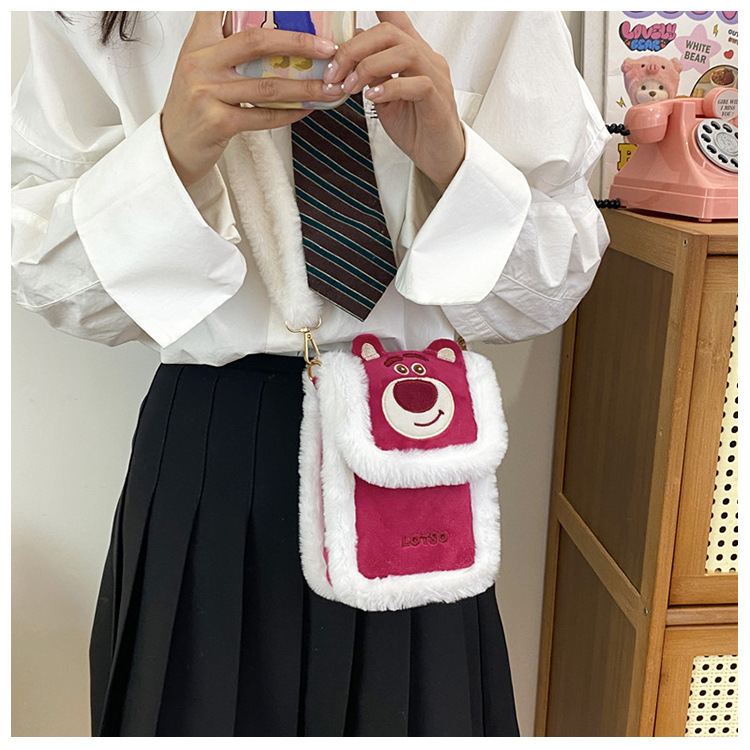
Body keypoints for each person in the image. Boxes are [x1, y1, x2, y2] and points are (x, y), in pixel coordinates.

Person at [11, 11, 610, 737]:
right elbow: (48, 276)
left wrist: (455, 163)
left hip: (415, 435)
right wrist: (170, 155)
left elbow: (550, 282)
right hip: (214, 447)